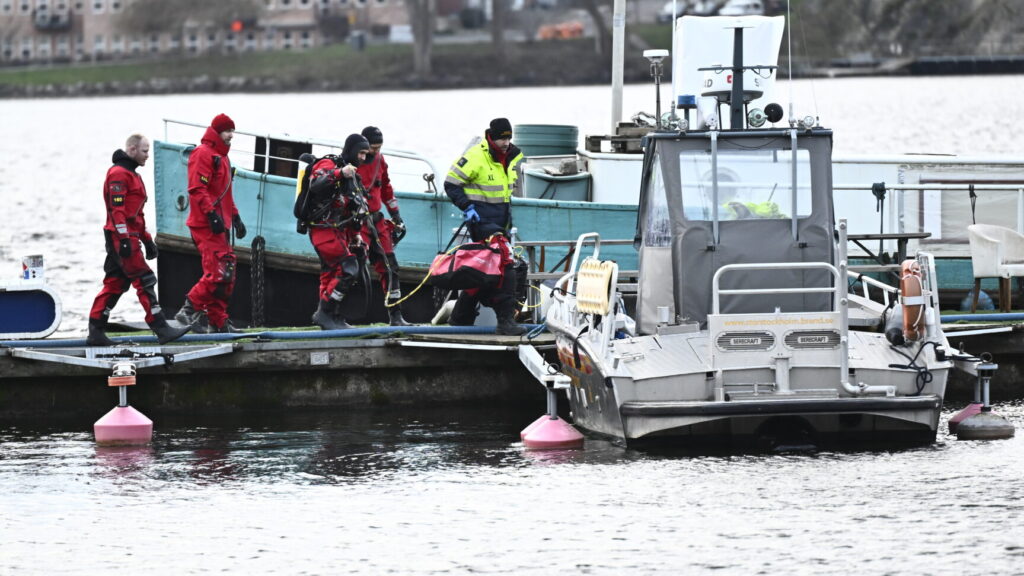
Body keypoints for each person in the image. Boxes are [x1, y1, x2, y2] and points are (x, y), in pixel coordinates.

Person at [86, 134, 192, 346]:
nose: (147, 156)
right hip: (121, 238)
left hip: (129, 236)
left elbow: (137, 214)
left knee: (115, 283)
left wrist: (147, 240)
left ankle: (96, 330)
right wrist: (125, 239)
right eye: (144, 151)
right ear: (132, 150)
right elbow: (117, 211)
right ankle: (161, 328)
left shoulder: (133, 175)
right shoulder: (118, 174)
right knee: (144, 280)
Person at [443, 118, 526, 336]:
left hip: (501, 223)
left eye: (508, 138)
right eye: (501, 138)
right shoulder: (475, 157)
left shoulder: (508, 158)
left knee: (483, 271)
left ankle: (460, 318)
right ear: (491, 136)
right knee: (506, 267)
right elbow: (450, 184)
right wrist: (467, 207)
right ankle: (505, 322)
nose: (506, 142)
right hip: (482, 222)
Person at [175, 113, 246, 333]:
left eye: (233, 131)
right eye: (227, 131)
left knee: (227, 272)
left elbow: (225, 193)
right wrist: (211, 215)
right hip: (205, 224)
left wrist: (235, 217)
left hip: (219, 224)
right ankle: (188, 310)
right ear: (216, 132)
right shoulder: (203, 154)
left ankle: (218, 321)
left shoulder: (222, 158)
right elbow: (197, 189)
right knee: (218, 273)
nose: (231, 136)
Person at [304, 133, 372, 330]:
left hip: (339, 230)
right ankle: (324, 312)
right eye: (361, 153)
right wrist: (340, 173)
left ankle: (333, 316)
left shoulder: (353, 175)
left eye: (366, 154)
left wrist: (357, 233)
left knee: (331, 272)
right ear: (351, 150)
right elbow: (316, 185)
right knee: (348, 269)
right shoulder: (328, 164)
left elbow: (352, 206)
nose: (363, 158)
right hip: (323, 229)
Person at [356, 126, 410, 326]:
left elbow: (386, 187)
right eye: (372, 147)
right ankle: (336, 315)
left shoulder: (380, 161)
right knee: (351, 268)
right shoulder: (351, 164)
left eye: (379, 147)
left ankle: (396, 316)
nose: (376, 151)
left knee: (390, 268)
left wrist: (396, 215)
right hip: (358, 224)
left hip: (377, 223)